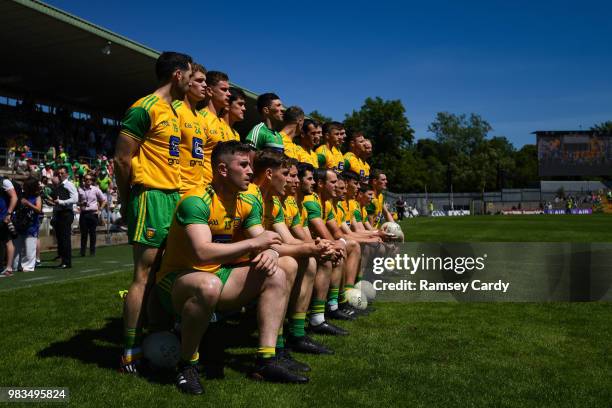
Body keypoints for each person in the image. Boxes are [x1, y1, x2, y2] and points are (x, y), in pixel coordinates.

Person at [156, 141, 306, 394]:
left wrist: (268, 250)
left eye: (251, 165)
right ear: (223, 170)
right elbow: (202, 253)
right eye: (244, 165)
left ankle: (266, 360)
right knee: (208, 284)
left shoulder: (244, 202)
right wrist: (257, 243)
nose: (250, 171)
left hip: (218, 277)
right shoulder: (196, 200)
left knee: (277, 271)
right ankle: (187, 366)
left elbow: (266, 240)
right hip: (177, 281)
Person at [114, 51, 193, 374]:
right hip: (150, 196)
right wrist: (125, 199)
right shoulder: (144, 107)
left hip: (172, 197)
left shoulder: (173, 111)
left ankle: (157, 333)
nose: (191, 80)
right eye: (190, 74)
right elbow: (122, 158)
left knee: (166, 270)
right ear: (177, 75)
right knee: (144, 274)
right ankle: (129, 351)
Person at [175, 63, 208, 194]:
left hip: (199, 190)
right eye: (199, 81)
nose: (205, 85)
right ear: (188, 81)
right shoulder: (175, 110)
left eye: (205, 81)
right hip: (180, 190)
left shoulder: (202, 119)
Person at [199, 71, 235, 185]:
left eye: (228, 90)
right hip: (205, 187)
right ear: (209, 91)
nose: (229, 94)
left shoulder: (224, 124)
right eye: (224, 90)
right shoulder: (200, 118)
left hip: (223, 190)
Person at [12, 177, 42, 272]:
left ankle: (28, 266)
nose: (23, 187)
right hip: (20, 224)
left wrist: (28, 203)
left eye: (26, 185)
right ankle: (16, 265)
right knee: (16, 247)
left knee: (29, 248)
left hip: (31, 225)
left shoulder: (37, 197)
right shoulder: (21, 195)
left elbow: (38, 209)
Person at [52, 165, 78, 269]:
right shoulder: (60, 186)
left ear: (67, 174)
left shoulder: (69, 184)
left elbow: (75, 199)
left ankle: (67, 262)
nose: (60, 175)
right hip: (60, 213)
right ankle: (64, 260)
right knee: (61, 238)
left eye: (62, 173)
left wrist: (61, 202)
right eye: (59, 173)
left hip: (66, 213)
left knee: (65, 238)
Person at [77, 174, 107, 256]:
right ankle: (82, 252)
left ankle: (92, 251)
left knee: (93, 233)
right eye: (86, 179)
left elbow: (104, 199)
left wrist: (100, 209)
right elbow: (76, 201)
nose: (88, 180)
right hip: (83, 213)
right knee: (84, 233)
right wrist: (81, 203)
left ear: (92, 180)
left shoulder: (95, 189)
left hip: (93, 213)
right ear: (84, 180)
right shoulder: (80, 189)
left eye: (90, 179)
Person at [0, 177, 18, 277]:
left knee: (7, 241)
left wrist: (9, 213)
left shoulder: (4, 181)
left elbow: (14, 197)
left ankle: (8, 268)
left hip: (4, 216)